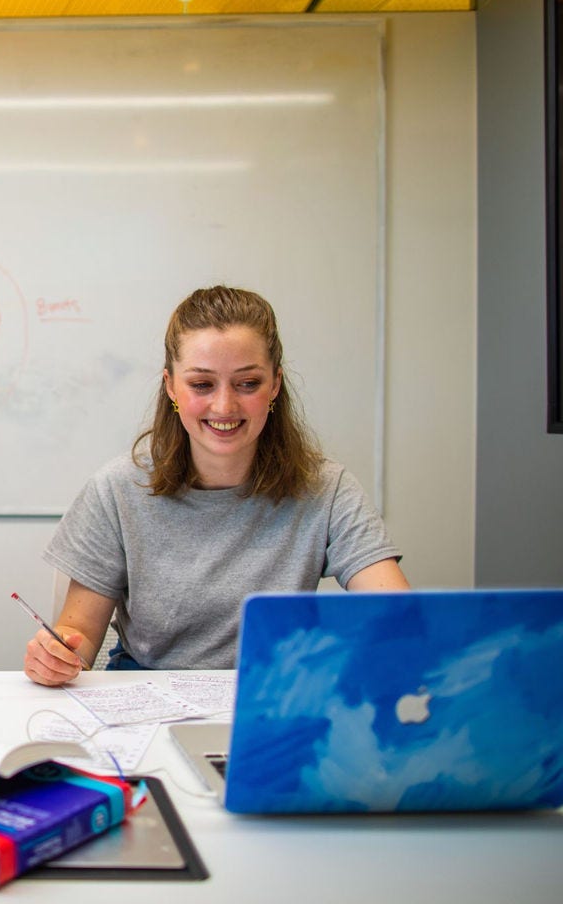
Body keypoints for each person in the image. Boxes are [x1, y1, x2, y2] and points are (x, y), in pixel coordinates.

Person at [24, 285, 408, 686]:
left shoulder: (327, 489)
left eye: (247, 384)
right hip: (147, 698)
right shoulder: (116, 490)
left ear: (275, 385)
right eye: (202, 385)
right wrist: (57, 657)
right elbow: (79, 637)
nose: (224, 407)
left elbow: (397, 613)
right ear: (171, 386)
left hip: (275, 696)